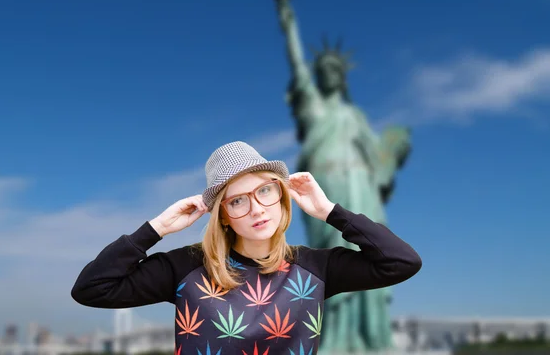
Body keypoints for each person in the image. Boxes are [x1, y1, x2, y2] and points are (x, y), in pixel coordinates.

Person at [71, 141, 421, 354]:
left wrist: (330, 211)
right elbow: (92, 289)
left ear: (281, 196)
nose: (256, 208)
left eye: (265, 191)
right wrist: (157, 228)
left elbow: (401, 262)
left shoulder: (314, 268)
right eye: (237, 201)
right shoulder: (187, 268)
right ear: (223, 215)